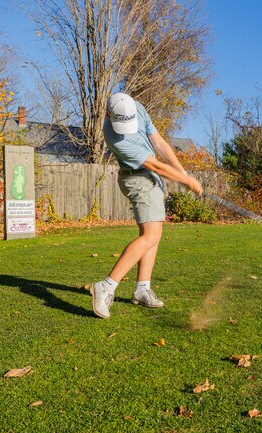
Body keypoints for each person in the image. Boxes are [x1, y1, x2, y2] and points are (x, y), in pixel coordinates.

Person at [90, 92, 203, 319]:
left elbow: (158, 142)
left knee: (154, 234)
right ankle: (106, 286)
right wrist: (186, 180)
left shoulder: (135, 107)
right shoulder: (114, 137)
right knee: (150, 235)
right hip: (138, 179)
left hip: (150, 177)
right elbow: (155, 165)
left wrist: (181, 171)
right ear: (109, 114)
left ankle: (142, 288)